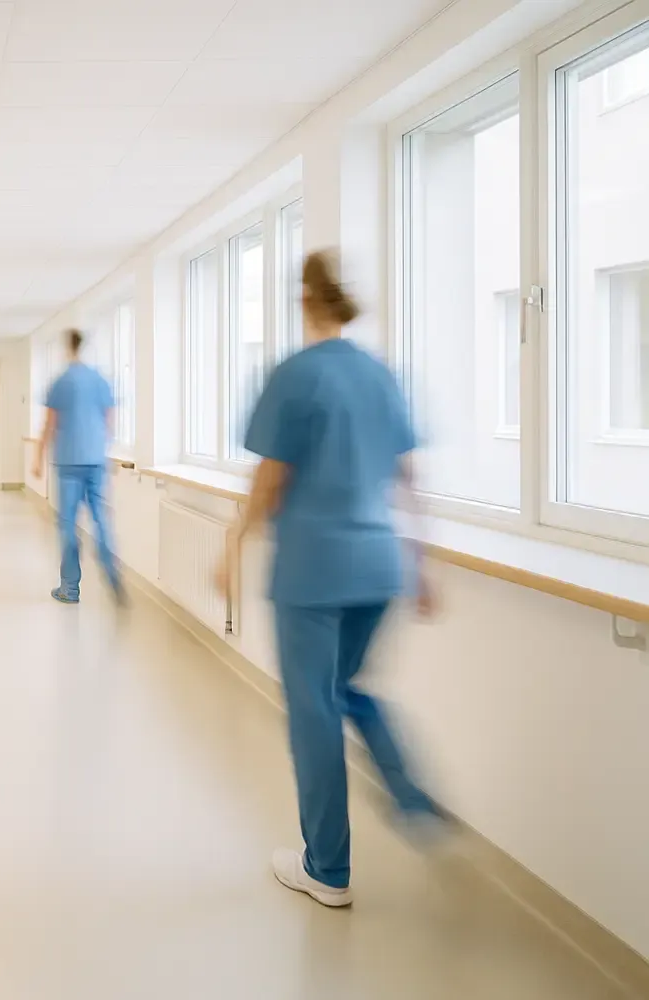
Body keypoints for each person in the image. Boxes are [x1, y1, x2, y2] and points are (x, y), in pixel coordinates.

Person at [228, 250, 443, 907]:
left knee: (313, 712)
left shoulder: (294, 375)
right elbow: (408, 476)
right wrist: (421, 561)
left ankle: (327, 869)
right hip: (380, 565)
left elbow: (272, 475)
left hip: (313, 569)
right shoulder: (380, 374)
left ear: (304, 300)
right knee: (344, 687)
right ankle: (405, 789)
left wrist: (232, 541)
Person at [32, 328, 126, 607]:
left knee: (67, 524)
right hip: (96, 460)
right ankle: (111, 572)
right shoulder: (100, 380)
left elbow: (49, 424)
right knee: (101, 519)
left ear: (67, 348)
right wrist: (100, 447)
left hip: (69, 462)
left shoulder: (61, 381)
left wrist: (37, 457)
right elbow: (110, 421)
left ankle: (69, 588)